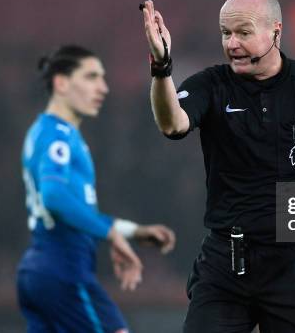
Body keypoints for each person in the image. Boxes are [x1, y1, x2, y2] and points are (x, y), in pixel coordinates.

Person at [141, 0, 295, 333]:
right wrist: (162, 68)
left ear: (276, 32)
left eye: (243, 33)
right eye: (225, 33)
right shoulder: (212, 84)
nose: (232, 43)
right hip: (227, 263)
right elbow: (172, 123)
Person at [16, 45, 176, 333]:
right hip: (64, 270)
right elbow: (53, 197)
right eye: (91, 77)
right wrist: (110, 234)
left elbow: (75, 210)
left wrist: (132, 231)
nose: (103, 88)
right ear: (61, 82)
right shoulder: (58, 135)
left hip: (40, 270)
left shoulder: (45, 132)